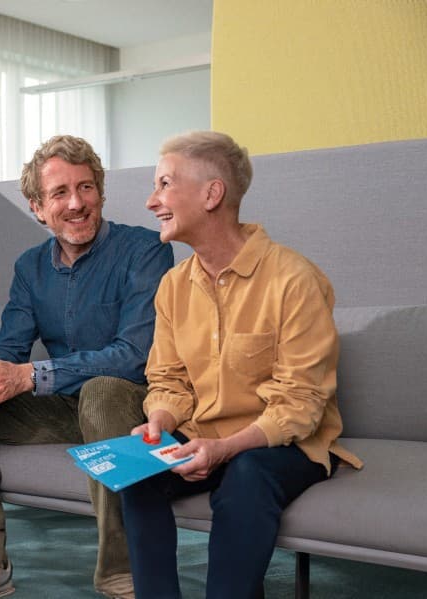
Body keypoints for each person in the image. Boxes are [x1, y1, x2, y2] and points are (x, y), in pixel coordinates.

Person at [123, 130, 363, 598]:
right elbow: (167, 378)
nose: (152, 201)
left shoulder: (294, 279)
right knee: (139, 475)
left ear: (212, 194)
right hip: (205, 437)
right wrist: (159, 422)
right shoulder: (172, 286)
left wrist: (226, 449)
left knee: (246, 476)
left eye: (165, 184)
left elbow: (301, 404)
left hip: (286, 443)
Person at [0, 135, 174, 599]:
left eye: (86, 188)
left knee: (103, 390)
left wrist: (28, 376)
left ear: (101, 193)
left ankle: (122, 572)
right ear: (37, 207)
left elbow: (134, 354)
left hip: (132, 405)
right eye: (60, 193)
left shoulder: (146, 250)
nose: (76, 203)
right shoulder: (29, 267)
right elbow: (10, 348)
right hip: (61, 407)